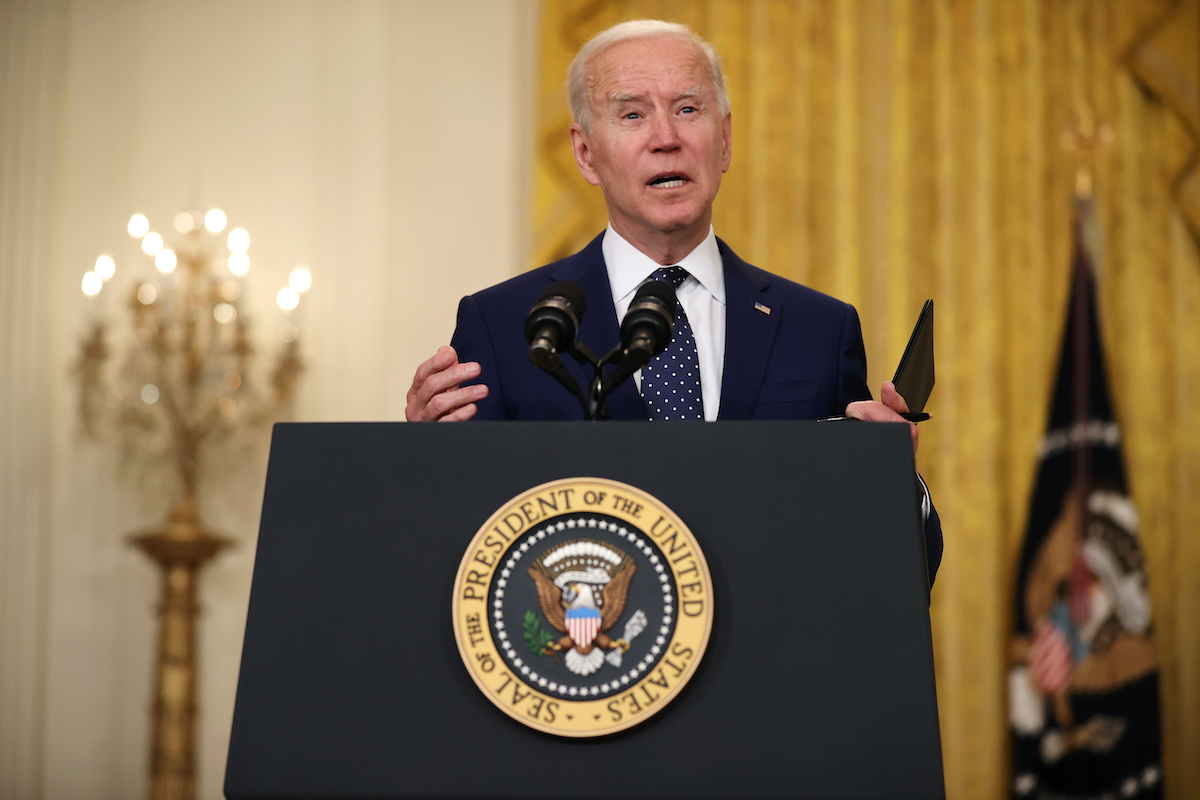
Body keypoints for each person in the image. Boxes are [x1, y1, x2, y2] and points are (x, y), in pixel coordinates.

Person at [405, 19, 941, 581]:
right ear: (585, 153)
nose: (666, 136)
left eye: (688, 109)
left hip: (771, 663)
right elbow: (453, 559)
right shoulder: (509, 326)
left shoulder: (818, 329)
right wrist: (422, 466)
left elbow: (884, 573)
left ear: (726, 139)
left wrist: (892, 480)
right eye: (633, 114)